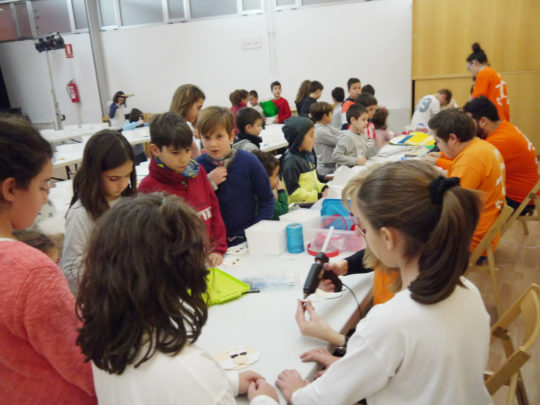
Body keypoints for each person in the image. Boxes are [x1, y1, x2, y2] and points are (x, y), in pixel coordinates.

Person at [276, 160, 492, 405]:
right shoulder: (469, 292)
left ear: (388, 237)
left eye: (364, 229)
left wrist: (293, 393)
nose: (359, 234)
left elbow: (318, 401)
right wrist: (351, 367)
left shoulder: (390, 322)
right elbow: (423, 375)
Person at [76, 193, 278, 405]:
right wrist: (265, 400)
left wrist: (224, 382)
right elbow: (184, 384)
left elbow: (153, 391)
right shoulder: (187, 370)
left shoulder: (108, 340)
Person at [0, 116, 95, 403]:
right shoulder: (32, 272)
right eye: (43, 186)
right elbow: (86, 364)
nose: (46, 198)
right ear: (10, 189)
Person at [138, 112, 227, 267]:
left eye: (187, 150)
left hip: (209, 259)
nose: (184, 158)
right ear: (155, 150)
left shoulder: (198, 172)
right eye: (175, 153)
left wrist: (218, 248)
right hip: (174, 268)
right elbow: (148, 242)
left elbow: (214, 209)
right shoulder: (147, 188)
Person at [62, 130, 136, 294]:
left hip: (127, 290)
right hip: (102, 295)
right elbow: (70, 270)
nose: (123, 184)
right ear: (94, 174)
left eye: (128, 175)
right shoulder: (81, 214)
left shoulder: (127, 200)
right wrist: (113, 272)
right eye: (114, 179)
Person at [426, 109, 505, 251]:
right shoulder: (481, 146)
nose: (437, 146)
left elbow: (450, 208)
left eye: (437, 141)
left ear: (452, 139)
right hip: (486, 224)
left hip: (472, 237)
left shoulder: (469, 161)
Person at [196, 106, 274, 246]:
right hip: (212, 244)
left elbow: (267, 199)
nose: (213, 144)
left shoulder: (249, 161)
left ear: (231, 135)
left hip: (247, 239)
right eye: (206, 138)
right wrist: (207, 183)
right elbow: (191, 206)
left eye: (219, 136)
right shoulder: (197, 168)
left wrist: (257, 231)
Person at [463, 96, 538, 212]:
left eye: (469, 122)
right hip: (525, 193)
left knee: (463, 197)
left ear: (483, 121)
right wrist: (442, 156)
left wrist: (438, 161)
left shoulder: (499, 141)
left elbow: (469, 165)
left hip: (518, 201)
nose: (467, 127)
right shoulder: (504, 127)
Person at [281, 116, 328, 204]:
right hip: (298, 208)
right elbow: (293, 193)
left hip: (311, 203)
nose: (315, 137)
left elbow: (314, 181)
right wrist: (319, 195)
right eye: (311, 135)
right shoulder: (290, 161)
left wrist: (324, 188)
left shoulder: (307, 155)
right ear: (299, 139)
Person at [467, 42, 510, 121]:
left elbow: (476, 102)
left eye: (469, 68)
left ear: (474, 63)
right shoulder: (494, 73)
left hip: (492, 119)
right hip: (502, 117)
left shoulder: (483, 74)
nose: (470, 71)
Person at [169, 84, 206, 158]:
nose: (199, 112)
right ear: (186, 105)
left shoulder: (184, 125)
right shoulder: (174, 129)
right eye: (198, 108)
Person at [253, 150, 289, 220]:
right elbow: (283, 212)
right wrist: (281, 191)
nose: (278, 179)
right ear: (264, 178)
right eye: (275, 175)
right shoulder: (264, 196)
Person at [311, 101, 343, 176]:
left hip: (331, 165)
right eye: (331, 113)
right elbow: (339, 141)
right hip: (326, 168)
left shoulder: (326, 126)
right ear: (325, 116)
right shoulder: (320, 131)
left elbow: (341, 133)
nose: (332, 115)